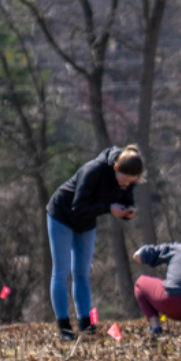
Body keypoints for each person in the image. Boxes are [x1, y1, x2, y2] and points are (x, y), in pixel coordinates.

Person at [47, 145, 142, 340]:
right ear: (116, 168)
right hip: (62, 215)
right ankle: (64, 326)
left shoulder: (128, 179)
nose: (125, 186)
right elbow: (78, 206)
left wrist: (127, 212)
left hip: (87, 222)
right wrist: (109, 208)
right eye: (123, 181)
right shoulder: (93, 170)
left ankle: (86, 323)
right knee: (62, 271)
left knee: (82, 272)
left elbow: (125, 199)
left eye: (130, 183)